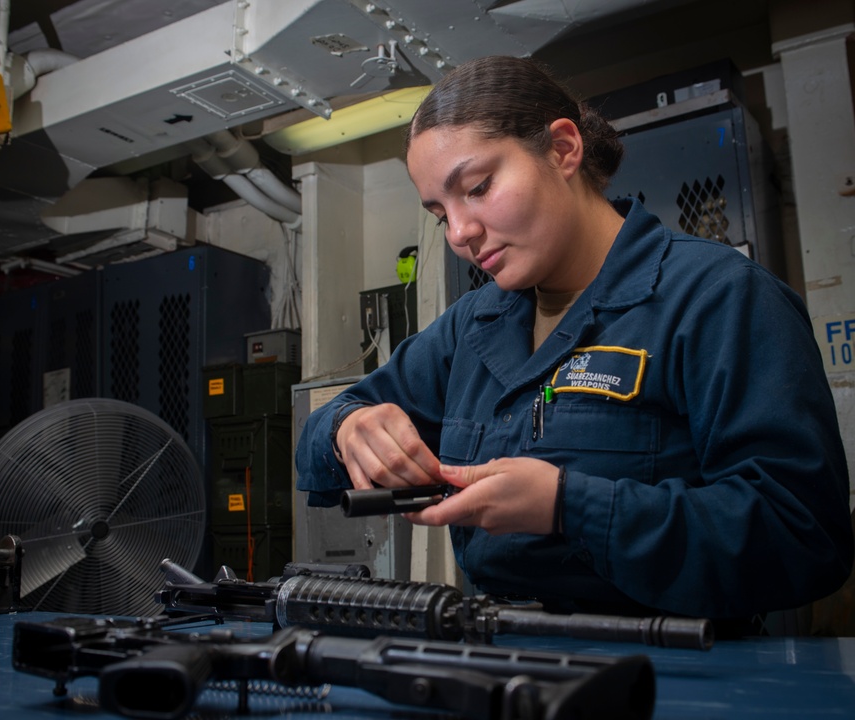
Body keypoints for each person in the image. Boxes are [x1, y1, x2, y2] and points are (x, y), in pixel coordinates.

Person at [294, 55, 853, 623]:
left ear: (563, 149)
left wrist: (571, 506)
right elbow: (326, 426)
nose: (460, 232)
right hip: (511, 656)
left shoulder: (718, 300)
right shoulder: (474, 325)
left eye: (479, 187)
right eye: (441, 214)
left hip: (681, 671)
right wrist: (346, 428)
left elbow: (803, 536)